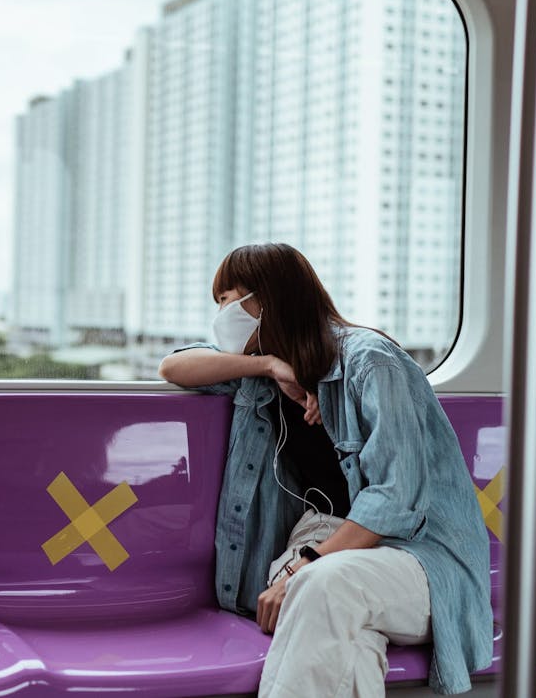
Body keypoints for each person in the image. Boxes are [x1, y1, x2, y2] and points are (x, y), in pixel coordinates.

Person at [159, 243, 492, 697]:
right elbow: (174, 366)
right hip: (331, 545)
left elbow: (396, 498)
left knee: (320, 589)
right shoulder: (267, 374)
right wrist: (267, 363)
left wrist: (306, 566)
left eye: (228, 299)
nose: (222, 314)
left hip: (420, 556)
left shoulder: (370, 362)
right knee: (346, 641)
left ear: (266, 301)